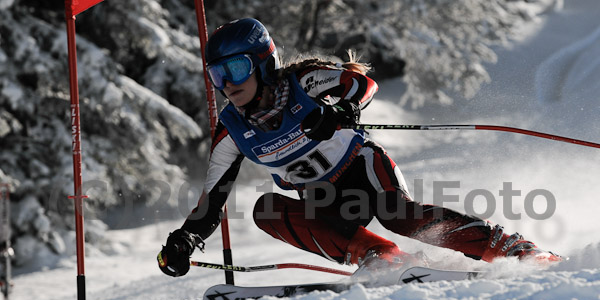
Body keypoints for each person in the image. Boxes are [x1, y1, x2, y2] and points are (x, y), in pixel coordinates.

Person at [157, 18, 561, 278]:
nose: (227, 83)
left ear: (263, 63)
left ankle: (512, 248)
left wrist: (342, 112)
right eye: (217, 74)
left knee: (398, 215)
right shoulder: (231, 131)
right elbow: (214, 198)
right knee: (266, 210)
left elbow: (361, 86)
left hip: (362, 167)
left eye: (237, 68)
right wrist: (185, 239)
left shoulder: (304, 81)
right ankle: (380, 257)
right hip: (322, 198)